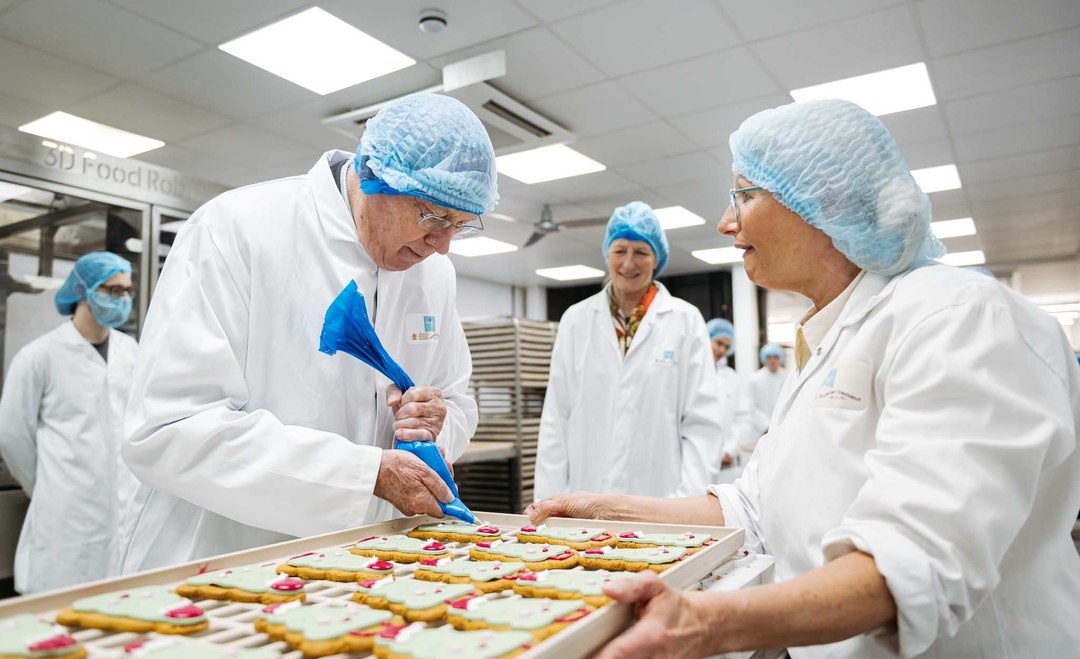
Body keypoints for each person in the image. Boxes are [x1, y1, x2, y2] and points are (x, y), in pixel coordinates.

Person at [526, 99, 1080, 659]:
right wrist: (605, 508)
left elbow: (912, 561)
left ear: (823, 200)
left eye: (744, 195)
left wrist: (704, 624)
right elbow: (754, 507)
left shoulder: (960, 317)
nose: (725, 222)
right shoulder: (829, 343)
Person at [117, 94, 497, 573]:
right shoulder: (238, 228)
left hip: (367, 566)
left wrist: (435, 424)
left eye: (460, 225)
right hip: (219, 560)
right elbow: (167, 430)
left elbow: (457, 401)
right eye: (433, 217)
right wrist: (364, 475)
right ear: (373, 175)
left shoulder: (434, 275)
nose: (442, 246)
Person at [533, 202, 722, 502]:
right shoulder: (576, 320)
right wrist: (551, 501)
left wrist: (686, 503)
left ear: (656, 259)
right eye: (620, 250)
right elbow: (557, 417)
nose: (629, 263)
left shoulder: (685, 321)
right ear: (607, 254)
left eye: (641, 252)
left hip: (661, 501)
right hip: (585, 497)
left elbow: (702, 424)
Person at [0, 252, 139, 594]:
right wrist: (50, 485)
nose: (123, 299)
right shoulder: (39, 356)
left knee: (119, 606)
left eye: (127, 291)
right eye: (114, 290)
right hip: (65, 514)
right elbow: (12, 435)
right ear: (83, 290)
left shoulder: (131, 351)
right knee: (59, 608)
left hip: (123, 508)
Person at [705, 318, 749, 483]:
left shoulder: (732, 377)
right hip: (700, 456)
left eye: (727, 346)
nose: (722, 350)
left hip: (726, 460)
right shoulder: (694, 373)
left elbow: (741, 416)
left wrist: (731, 449)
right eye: (719, 343)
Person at [743, 342, 787, 441]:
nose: (772, 360)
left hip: (782, 427)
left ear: (780, 358)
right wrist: (766, 426)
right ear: (764, 359)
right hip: (760, 430)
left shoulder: (787, 378)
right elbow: (751, 406)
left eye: (775, 357)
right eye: (769, 357)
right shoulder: (754, 379)